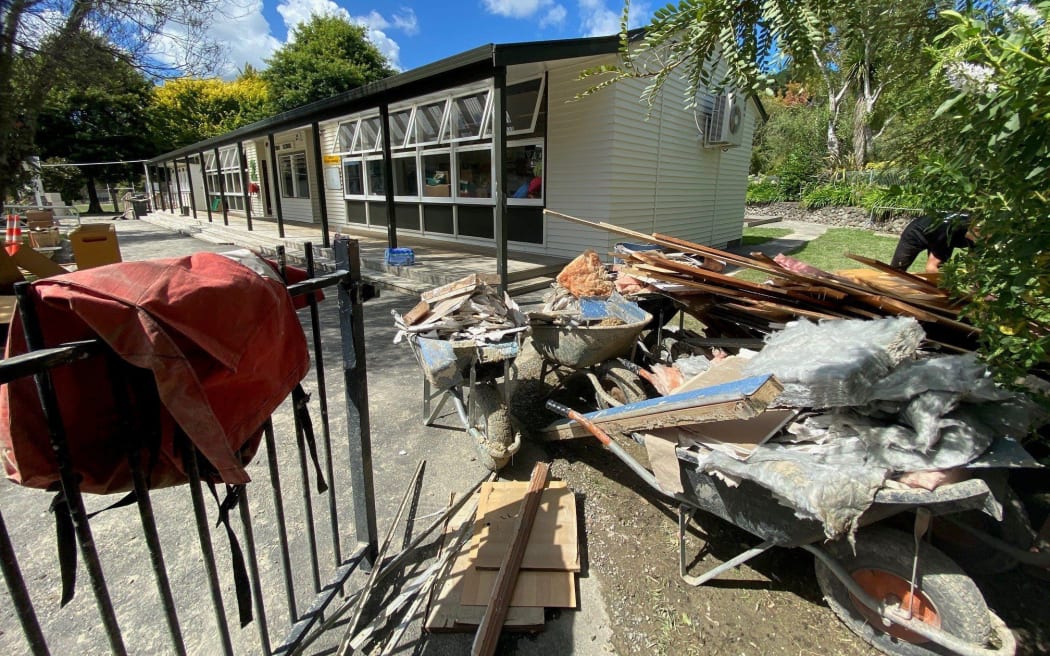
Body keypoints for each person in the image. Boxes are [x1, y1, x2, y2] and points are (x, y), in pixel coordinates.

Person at [890, 213, 975, 272]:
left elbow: (972, 264)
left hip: (941, 232)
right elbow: (931, 269)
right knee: (896, 271)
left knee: (941, 271)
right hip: (917, 233)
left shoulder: (981, 236)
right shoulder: (950, 230)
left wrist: (979, 291)